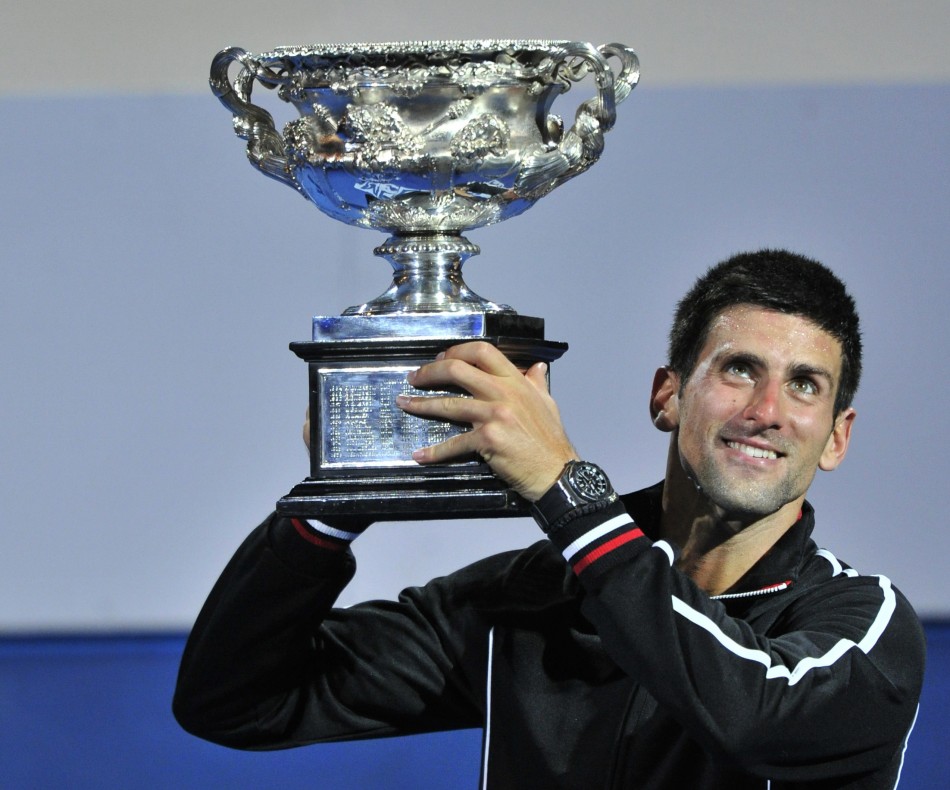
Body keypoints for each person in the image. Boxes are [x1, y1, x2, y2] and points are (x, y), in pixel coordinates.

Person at [173, 249, 925, 788]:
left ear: (836, 437)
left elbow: (753, 715)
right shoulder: (534, 599)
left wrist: (569, 492)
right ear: (667, 395)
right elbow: (235, 702)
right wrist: (333, 508)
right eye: (738, 370)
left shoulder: (864, 626)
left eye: (804, 386)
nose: (765, 413)